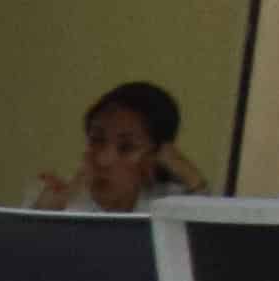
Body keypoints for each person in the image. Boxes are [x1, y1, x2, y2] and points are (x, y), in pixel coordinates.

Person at [34, 76, 203, 207]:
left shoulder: (171, 205)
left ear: (156, 158)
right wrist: (43, 218)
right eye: (96, 140)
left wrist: (193, 179)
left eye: (126, 147)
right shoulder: (58, 199)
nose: (103, 160)